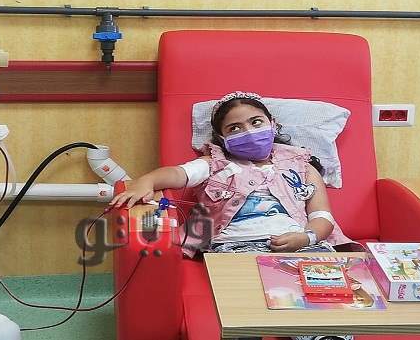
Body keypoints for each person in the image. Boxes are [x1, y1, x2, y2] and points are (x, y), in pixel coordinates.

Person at [111, 91, 355, 340]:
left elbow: (322, 218)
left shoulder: (302, 166)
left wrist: (306, 238)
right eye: (235, 128)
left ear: (273, 124)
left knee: (326, 301)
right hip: (236, 247)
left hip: (302, 245)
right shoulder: (214, 165)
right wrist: (147, 181)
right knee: (250, 308)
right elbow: (177, 174)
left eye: (256, 122)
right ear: (222, 138)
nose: (249, 132)